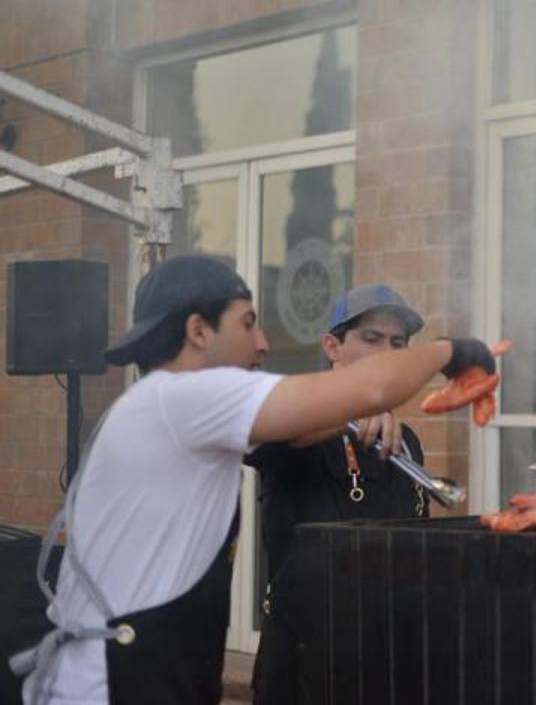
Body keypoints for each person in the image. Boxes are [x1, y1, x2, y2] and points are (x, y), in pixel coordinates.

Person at [12, 255, 495, 705]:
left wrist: (367, 413)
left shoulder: (178, 409)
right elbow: (367, 387)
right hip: (110, 684)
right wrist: (455, 352)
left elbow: (310, 425)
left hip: (151, 673)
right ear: (198, 331)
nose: (263, 343)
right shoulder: (184, 398)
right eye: (247, 323)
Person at [245, 283, 433, 705]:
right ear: (332, 346)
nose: (387, 352)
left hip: (386, 651)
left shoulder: (408, 443)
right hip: (304, 654)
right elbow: (271, 434)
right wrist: (351, 410)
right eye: (371, 339)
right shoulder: (295, 424)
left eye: (398, 343)